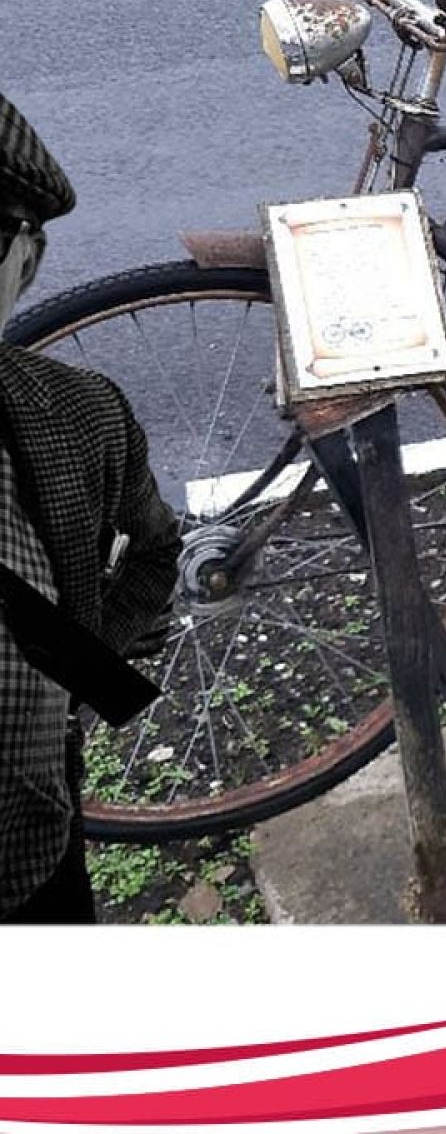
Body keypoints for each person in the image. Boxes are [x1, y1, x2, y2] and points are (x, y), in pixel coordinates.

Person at [0, 92, 181, 924]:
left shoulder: (78, 419)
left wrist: (83, 668)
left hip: (33, 859)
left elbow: (153, 550)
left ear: (25, 266)